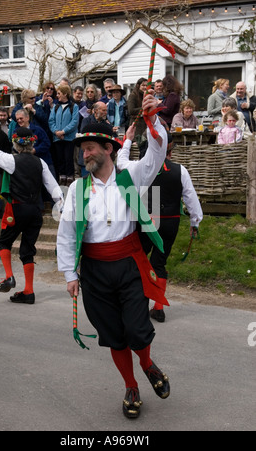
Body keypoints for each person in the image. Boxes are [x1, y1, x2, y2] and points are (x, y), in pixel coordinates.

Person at [57, 91, 171, 420]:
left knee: (137, 331)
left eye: (90, 147)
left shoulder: (131, 176)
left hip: (129, 264)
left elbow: (156, 154)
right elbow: (66, 235)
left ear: (108, 148)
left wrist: (151, 120)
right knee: (114, 336)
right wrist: (70, 274)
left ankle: (147, 364)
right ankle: (131, 385)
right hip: (93, 271)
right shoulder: (77, 190)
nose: (84, 153)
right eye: (82, 148)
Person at [117, 134, 203, 323]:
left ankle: (138, 304)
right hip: (170, 221)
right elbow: (191, 198)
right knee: (159, 262)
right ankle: (158, 307)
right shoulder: (180, 170)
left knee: (140, 261)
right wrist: (194, 222)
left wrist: (127, 140)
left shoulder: (137, 168)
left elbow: (121, 161)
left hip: (148, 218)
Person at [0, 115, 63, 304]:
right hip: (36, 212)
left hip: (17, 210)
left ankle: (9, 276)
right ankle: (29, 292)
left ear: (15, 143)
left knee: (3, 244)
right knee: (27, 250)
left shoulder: (11, 160)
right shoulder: (40, 163)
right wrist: (62, 207)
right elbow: (54, 188)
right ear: (31, 143)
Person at [49, 84, 79, 186]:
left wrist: (64, 131)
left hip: (69, 138)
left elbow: (74, 122)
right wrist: (56, 131)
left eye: (59, 93)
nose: (57, 95)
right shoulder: (55, 107)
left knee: (68, 159)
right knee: (60, 159)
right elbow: (51, 121)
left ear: (65, 94)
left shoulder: (74, 106)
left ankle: (70, 179)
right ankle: (61, 179)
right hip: (57, 138)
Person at [127, 78, 148, 144]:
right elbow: (131, 110)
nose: (145, 87)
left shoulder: (147, 96)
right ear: (138, 86)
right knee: (137, 146)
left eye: (146, 86)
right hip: (136, 126)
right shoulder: (133, 95)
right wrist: (144, 108)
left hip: (145, 125)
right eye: (143, 85)